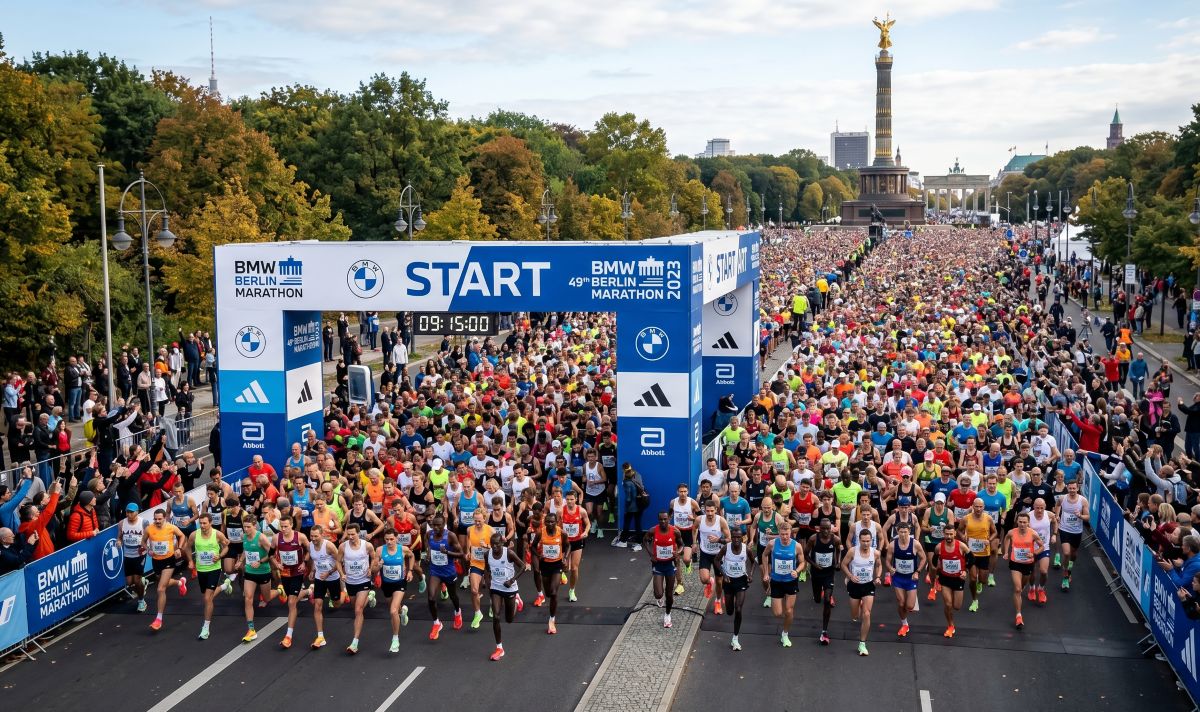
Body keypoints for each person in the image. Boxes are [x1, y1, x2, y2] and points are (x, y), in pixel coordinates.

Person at [186, 512, 230, 640]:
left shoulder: (217, 534)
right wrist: (190, 560)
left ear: (210, 523)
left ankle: (205, 627)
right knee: (207, 596)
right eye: (201, 523)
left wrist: (220, 555)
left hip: (214, 569)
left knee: (207, 599)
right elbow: (187, 547)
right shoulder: (194, 535)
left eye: (205, 523)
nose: (203, 525)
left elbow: (226, 546)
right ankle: (224, 586)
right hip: (201, 570)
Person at [142, 508, 188, 631]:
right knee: (164, 582)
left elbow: (182, 535)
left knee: (160, 588)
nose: (157, 521)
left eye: (160, 519)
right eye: (155, 519)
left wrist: (179, 548)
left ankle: (158, 618)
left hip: (169, 560)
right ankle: (179, 582)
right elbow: (143, 541)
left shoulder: (170, 527)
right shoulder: (149, 529)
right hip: (156, 561)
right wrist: (148, 549)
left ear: (164, 518)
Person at [483, 531, 526, 661]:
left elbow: (523, 566)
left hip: (510, 588)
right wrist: (488, 582)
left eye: (497, 545)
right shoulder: (487, 554)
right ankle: (499, 648)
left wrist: (512, 580)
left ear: (502, 543)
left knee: (509, 619)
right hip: (496, 588)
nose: (494, 547)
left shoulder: (509, 553)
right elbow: (487, 569)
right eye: (492, 545)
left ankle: (517, 601)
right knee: (496, 616)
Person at [763, 520, 805, 647]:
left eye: (787, 534)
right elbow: (764, 555)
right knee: (777, 613)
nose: (785, 537)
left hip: (790, 581)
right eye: (782, 534)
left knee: (789, 610)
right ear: (779, 534)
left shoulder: (797, 546)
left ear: (791, 533)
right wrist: (766, 572)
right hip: (776, 581)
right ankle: (784, 623)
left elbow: (802, 562)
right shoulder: (772, 544)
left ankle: (785, 634)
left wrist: (797, 571)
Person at [236, 517, 278, 643]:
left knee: (267, 598)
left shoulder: (261, 538)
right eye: (245, 526)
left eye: (249, 526)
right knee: (248, 598)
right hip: (250, 572)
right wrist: (240, 561)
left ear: (255, 526)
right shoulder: (243, 536)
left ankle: (280, 591)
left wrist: (260, 561)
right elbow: (245, 550)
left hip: (263, 571)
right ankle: (251, 629)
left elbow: (271, 554)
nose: (246, 529)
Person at [841, 528, 881, 656]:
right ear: (859, 540)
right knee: (855, 616)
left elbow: (879, 565)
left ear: (871, 541)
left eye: (868, 541)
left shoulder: (875, 553)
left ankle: (862, 644)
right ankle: (859, 607)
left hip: (868, 585)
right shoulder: (853, 551)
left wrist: (878, 577)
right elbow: (843, 564)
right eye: (863, 541)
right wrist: (850, 575)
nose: (865, 544)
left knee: (867, 614)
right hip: (855, 586)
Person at [713, 527, 754, 651]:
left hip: (741, 580)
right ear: (731, 537)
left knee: (739, 609)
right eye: (734, 537)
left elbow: (753, 562)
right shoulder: (726, 548)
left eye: (738, 537)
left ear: (742, 537)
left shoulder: (746, 549)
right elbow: (716, 560)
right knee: (730, 611)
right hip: (729, 581)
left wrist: (750, 574)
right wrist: (724, 574)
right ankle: (727, 604)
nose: (736, 539)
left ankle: (735, 638)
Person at [1002, 512, 1045, 629]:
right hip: (1015, 563)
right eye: (1020, 522)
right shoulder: (1012, 532)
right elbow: (1006, 538)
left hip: (1027, 564)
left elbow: (1042, 546)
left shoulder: (1033, 534)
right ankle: (1018, 615)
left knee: (1023, 585)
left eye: (1024, 522)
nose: (1022, 524)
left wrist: (1034, 553)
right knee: (1017, 589)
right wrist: (1006, 552)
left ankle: (1023, 589)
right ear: (1017, 522)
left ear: (1028, 523)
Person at [425, 513, 465, 640]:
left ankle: (457, 612)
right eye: (433, 525)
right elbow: (428, 545)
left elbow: (461, 554)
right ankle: (437, 623)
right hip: (435, 570)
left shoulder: (450, 536)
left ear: (444, 525)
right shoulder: (429, 534)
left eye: (438, 525)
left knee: (453, 596)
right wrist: (428, 553)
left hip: (448, 571)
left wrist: (447, 552)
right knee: (431, 598)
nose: (435, 527)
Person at [339, 522, 378, 654]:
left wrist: (371, 568)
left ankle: (354, 642)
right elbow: (338, 561)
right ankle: (371, 597)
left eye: (353, 534)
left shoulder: (366, 545)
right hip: (350, 581)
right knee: (356, 607)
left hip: (364, 581)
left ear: (358, 533)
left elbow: (374, 558)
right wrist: (342, 574)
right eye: (348, 534)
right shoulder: (343, 547)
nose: (350, 537)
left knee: (358, 610)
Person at [273, 515, 311, 649]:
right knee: (291, 598)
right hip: (285, 572)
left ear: (291, 526)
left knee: (291, 602)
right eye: (281, 527)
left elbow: (309, 550)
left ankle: (288, 636)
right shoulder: (276, 538)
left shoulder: (300, 537)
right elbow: (271, 554)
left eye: (286, 526)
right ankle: (308, 591)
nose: (283, 529)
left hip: (297, 572)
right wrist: (276, 563)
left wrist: (304, 562)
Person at [885, 522, 926, 637]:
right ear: (897, 532)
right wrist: (890, 568)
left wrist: (918, 571)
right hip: (898, 577)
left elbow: (923, 558)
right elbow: (887, 561)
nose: (903, 534)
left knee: (909, 606)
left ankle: (910, 602)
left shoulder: (915, 544)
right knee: (901, 602)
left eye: (905, 532)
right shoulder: (893, 545)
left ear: (909, 532)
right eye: (901, 532)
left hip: (911, 578)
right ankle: (904, 624)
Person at [532, 510, 569, 634]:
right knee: (548, 593)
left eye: (552, 522)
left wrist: (565, 558)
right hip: (545, 565)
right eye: (547, 521)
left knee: (553, 593)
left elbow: (568, 546)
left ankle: (552, 619)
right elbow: (532, 546)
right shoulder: (540, 533)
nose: (549, 524)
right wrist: (538, 555)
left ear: (556, 522)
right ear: (544, 522)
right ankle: (547, 597)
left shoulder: (562, 533)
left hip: (557, 564)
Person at [644, 511, 683, 628]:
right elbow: (645, 540)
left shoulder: (675, 531)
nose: (663, 521)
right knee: (658, 594)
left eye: (665, 519)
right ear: (658, 520)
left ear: (669, 519)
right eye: (661, 519)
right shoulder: (653, 530)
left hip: (670, 564)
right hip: (658, 565)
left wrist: (678, 552)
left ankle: (667, 615)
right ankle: (659, 598)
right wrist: (651, 554)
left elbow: (681, 545)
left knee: (669, 594)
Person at [807, 518, 842, 645]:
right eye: (823, 529)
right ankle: (819, 592)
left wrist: (838, 562)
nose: (826, 531)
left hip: (828, 573)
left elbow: (839, 550)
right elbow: (806, 555)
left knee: (827, 600)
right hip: (816, 573)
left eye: (828, 528)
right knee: (817, 599)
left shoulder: (836, 539)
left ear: (831, 528)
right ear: (819, 528)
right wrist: (815, 565)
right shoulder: (813, 539)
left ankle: (824, 630)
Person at [960, 497, 998, 612]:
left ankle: (980, 583)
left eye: (980, 507)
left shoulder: (988, 519)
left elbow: (995, 532)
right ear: (972, 506)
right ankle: (975, 600)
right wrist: (963, 537)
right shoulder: (966, 519)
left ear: (984, 507)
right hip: (971, 553)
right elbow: (959, 530)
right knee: (972, 578)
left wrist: (989, 540)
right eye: (976, 506)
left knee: (982, 579)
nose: (978, 509)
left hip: (984, 553)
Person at [695, 501, 731, 613]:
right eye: (707, 511)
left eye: (712, 511)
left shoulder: (721, 521)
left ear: (716, 510)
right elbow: (694, 529)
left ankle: (718, 601)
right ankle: (710, 582)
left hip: (718, 555)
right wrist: (694, 543)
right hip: (705, 553)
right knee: (704, 579)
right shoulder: (699, 520)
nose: (710, 513)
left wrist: (718, 540)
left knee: (720, 582)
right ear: (704, 509)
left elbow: (729, 538)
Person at [1054, 480, 1090, 591]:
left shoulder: (1083, 501)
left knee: (1073, 555)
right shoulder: (1062, 498)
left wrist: (1080, 516)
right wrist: (1057, 515)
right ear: (1067, 488)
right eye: (1070, 488)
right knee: (1066, 553)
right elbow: (1058, 505)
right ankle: (1065, 577)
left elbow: (1088, 517)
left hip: (1077, 531)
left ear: (1077, 488)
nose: (1072, 490)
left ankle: (1069, 570)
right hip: (1064, 529)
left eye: (1074, 488)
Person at [466, 508, 495, 630]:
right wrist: (468, 551)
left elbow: (498, 548)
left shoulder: (490, 531)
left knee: (491, 589)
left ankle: (492, 605)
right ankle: (477, 613)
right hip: (476, 564)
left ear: (484, 519)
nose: (477, 523)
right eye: (475, 521)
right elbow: (468, 540)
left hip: (489, 564)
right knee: (473, 590)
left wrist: (487, 546)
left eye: (479, 521)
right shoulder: (469, 529)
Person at [936, 531, 970, 638]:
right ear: (944, 534)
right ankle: (950, 625)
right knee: (948, 604)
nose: (949, 536)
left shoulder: (961, 546)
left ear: (954, 534)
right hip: (945, 579)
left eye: (951, 534)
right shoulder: (939, 547)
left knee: (957, 606)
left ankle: (950, 620)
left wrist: (966, 571)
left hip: (958, 579)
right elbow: (933, 561)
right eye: (947, 534)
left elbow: (972, 559)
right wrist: (937, 574)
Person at [561, 490, 590, 603]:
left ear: (576, 499)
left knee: (574, 568)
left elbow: (588, 524)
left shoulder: (581, 511)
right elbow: (557, 524)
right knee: (565, 567)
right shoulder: (561, 511)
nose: (569, 501)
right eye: (567, 499)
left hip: (577, 541)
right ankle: (563, 572)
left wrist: (586, 531)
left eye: (572, 499)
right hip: (565, 542)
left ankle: (572, 590)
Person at [670, 483, 699, 590]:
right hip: (677, 532)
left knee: (686, 559)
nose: (683, 494)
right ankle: (680, 583)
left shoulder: (692, 502)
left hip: (688, 533)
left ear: (687, 492)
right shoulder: (673, 502)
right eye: (680, 491)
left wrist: (693, 519)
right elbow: (669, 514)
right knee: (676, 559)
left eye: (684, 491)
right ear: (677, 492)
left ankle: (688, 564)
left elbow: (701, 517)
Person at [118, 502, 147, 611]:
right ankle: (143, 583)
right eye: (127, 512)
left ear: (137, 512)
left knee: (136, 580)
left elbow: (148, 536)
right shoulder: (121, 523)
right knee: (129, 582)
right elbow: (119, 536)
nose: (129, 514)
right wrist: (118, 541)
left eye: (131, 512)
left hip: (139, 555)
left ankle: (141, 601)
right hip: (127, 555)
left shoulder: (143, 522)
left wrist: (144, 546)